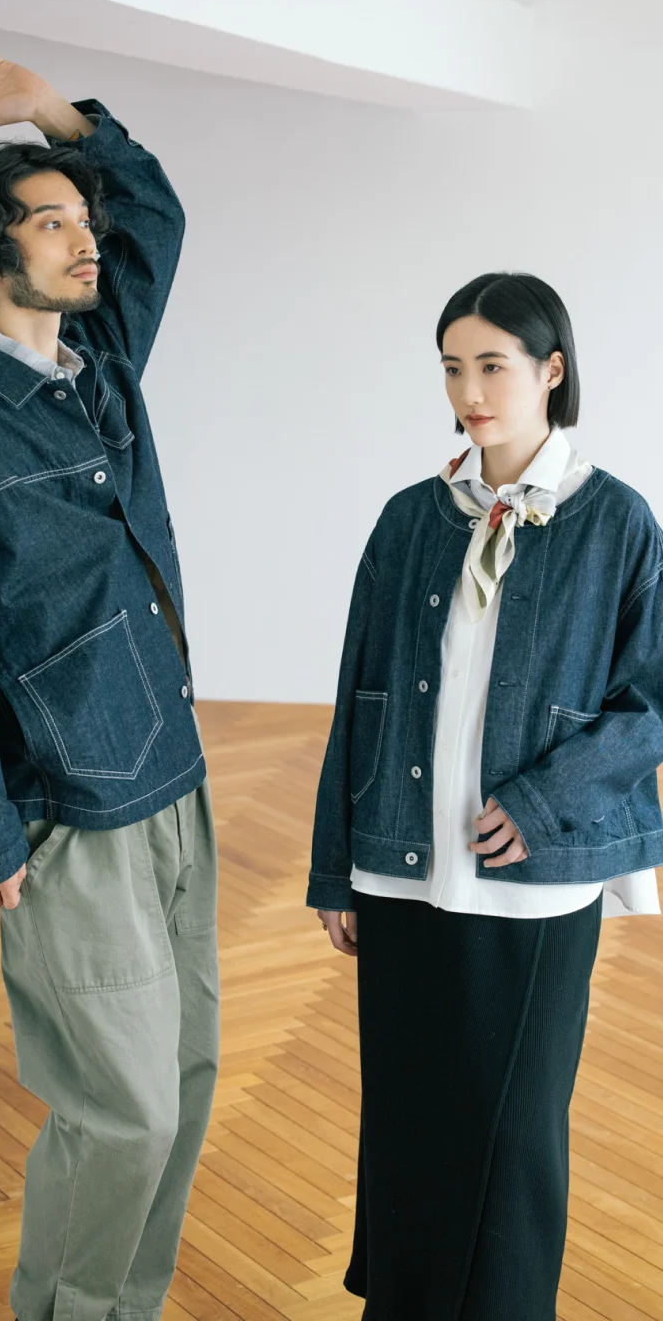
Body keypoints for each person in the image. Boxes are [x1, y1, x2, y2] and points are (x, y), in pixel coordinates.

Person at [0, 43, 218, 1321]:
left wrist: (59, 118)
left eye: (82, 219)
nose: (87, 241)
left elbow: (157, 216)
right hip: (71, 809)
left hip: (174, 773)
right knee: (121, 1113)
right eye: (53, 222)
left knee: (185, 1081)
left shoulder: (101, 365)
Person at [307, 271, 663, 1321]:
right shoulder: (409, 519)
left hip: (532, 880)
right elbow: (359, 699)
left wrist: (544, 804)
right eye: (453, 368)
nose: (469, 391)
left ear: (551, 371)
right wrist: (336, 868)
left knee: (512, 1138)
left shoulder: (616, 521)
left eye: (493, 366)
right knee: (409, 1122)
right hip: (402, 871)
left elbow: (649, 701)